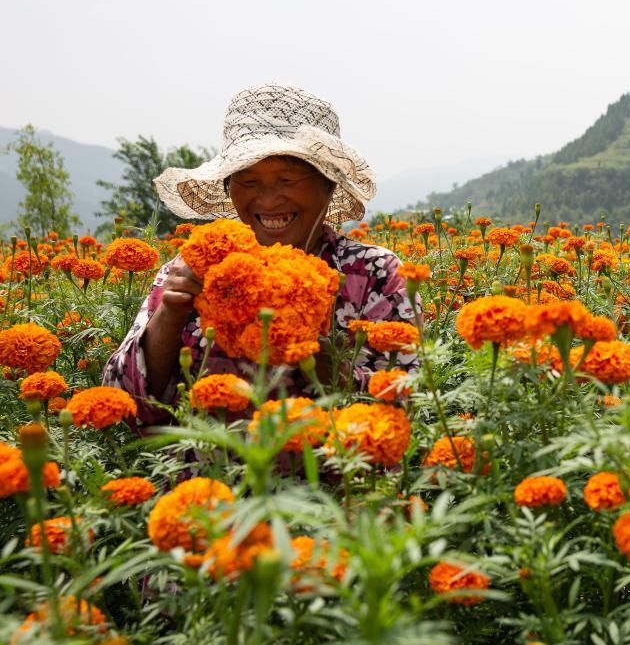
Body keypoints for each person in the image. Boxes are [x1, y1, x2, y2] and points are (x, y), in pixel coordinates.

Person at [104, 83, 417, 426]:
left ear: (328, 185)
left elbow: (404, 406)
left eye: (287, 179)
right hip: (206, 477)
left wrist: (309, 345)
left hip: (321, 476)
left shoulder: (373, 273)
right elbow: (123, 406)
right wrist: (171, 311)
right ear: (229, 187)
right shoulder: (189, 272)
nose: (268, 202)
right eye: (249, 182)